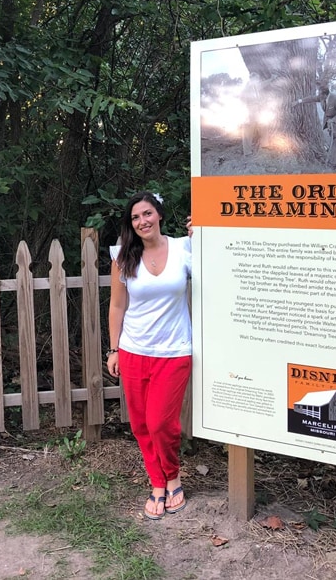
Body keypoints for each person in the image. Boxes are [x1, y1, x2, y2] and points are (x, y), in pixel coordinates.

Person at [107, 191, 193, 520]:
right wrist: (114, 349)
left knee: (162, 423)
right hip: (133, 350)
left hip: (173, 351)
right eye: (135, 217)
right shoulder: (124, 258)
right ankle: (159, 484)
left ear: (159, 214)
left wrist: (204, 237)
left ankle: (173, 475)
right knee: (141, 424)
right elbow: (117, 306)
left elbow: (217, 271)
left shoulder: (185, 249)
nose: (142, 221)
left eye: (147, 214)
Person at [295, 85, 336, 171]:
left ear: (325, 94)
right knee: (334, 143)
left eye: (320, 94)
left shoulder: (335, 99)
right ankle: (335, 163)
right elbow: (312, 98)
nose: (318, 96)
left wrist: (334, 120)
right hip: (331, 124)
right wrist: (299, 101)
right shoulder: (321, 98)